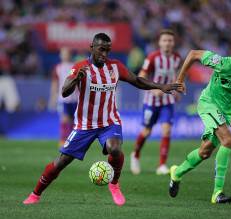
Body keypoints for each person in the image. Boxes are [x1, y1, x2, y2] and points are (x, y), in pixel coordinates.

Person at [23, 33, 182, 206]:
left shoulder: (115, 66)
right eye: (101, 50)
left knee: (114, 148)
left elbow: (137, 80)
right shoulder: (80, 67)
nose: (104, 54)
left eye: (107, 50)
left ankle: (114, 184)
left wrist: (161, 86)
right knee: (61, 162)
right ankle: (35, 194)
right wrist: (77, 78)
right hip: (84, 125)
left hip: (109, 122)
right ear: (92, 47)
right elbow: (64, 91)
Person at [169, 41, 231, 204]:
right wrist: (180, 79)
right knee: (228, 140)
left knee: (205, 152)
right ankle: (217, 192)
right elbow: (193, 54)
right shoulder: (223, 62)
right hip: (208, 104)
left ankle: (177, 173)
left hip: (226, 112)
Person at [130, 29, 181, 175]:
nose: (167, 43)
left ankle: (162, 165)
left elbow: (176, 75)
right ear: (159, 42)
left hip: (168, 100)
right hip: (151, 101)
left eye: (170, 40)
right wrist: (154, 90)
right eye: (164, 40)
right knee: (146, 131)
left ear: (173, 42)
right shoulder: (152, 58)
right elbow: (141, 76)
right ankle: (135, 155)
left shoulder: (177, 58)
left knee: (167, 129)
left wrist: (176, 90)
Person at [49, 47, 77, 146]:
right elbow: (55, 83)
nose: (65, 55)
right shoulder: (58, 67)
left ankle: (72, 141)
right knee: (65, 119)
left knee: (75, 121)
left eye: (67, 53)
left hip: (75, 99)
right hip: (63, 99)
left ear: (70, 54)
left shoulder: (75, 66)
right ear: (60, 55)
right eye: (63, 53)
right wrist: (53, 97)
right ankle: (63, 140)